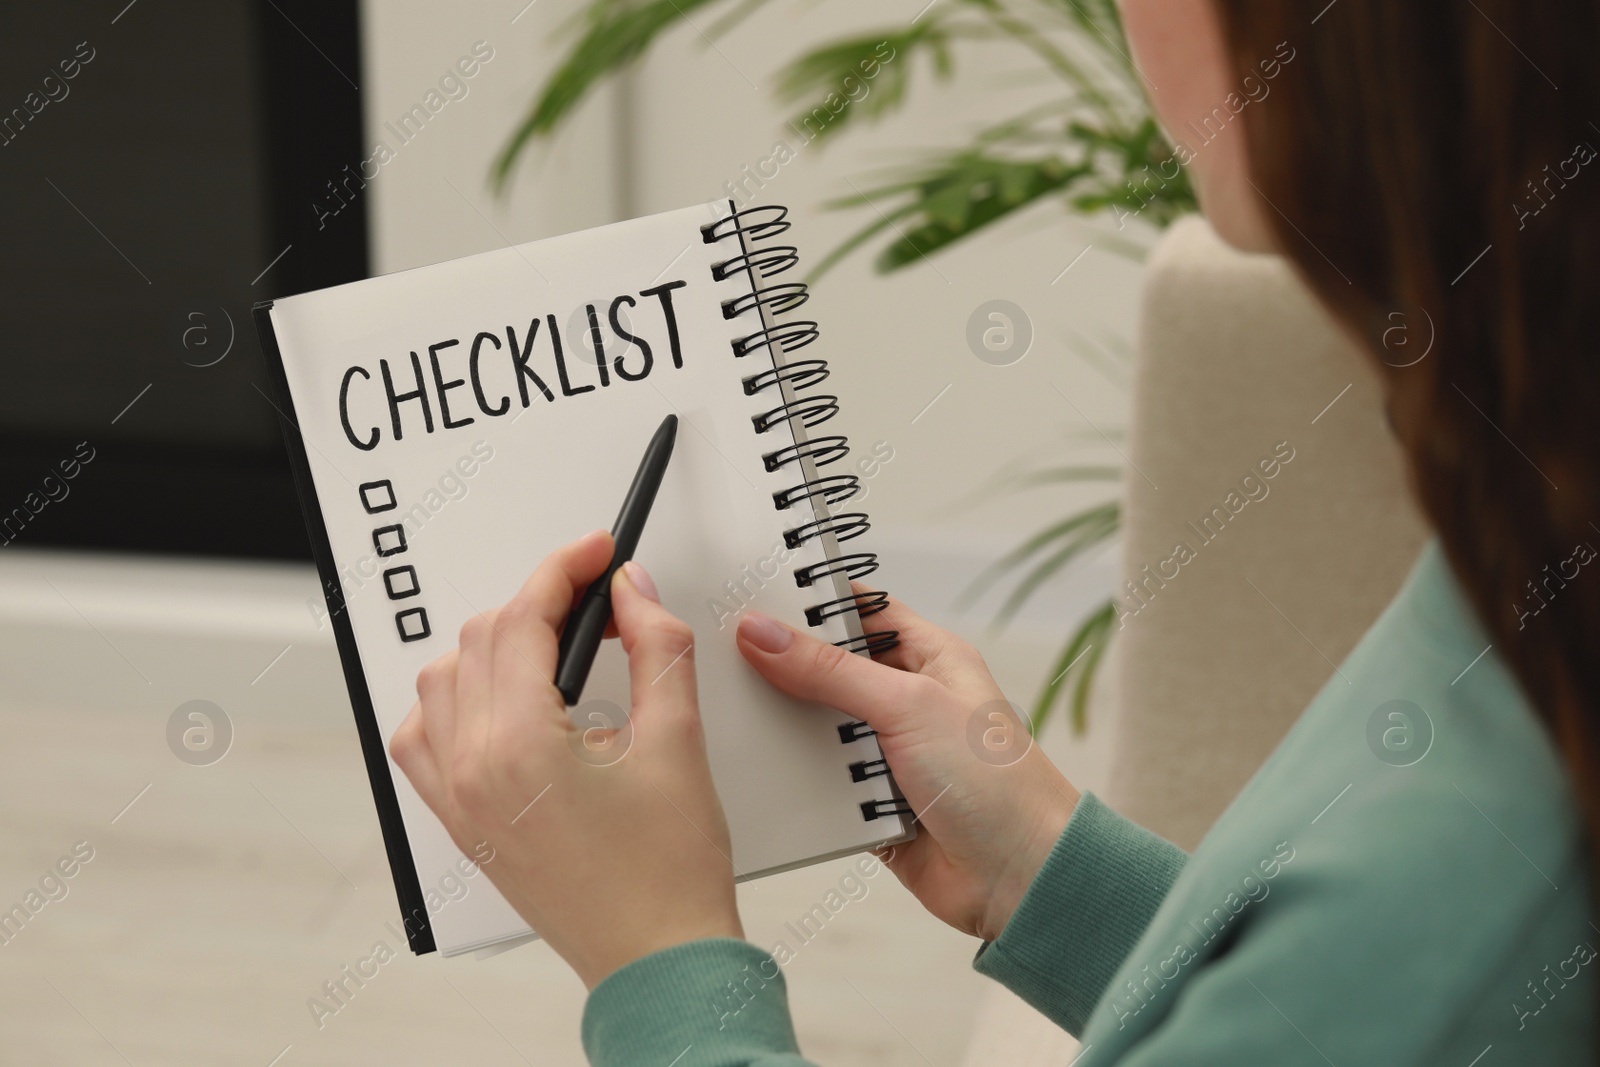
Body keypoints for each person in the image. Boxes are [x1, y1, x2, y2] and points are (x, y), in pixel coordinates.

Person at [388, 0, 1600, 1061]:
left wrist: (657, 959)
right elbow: (1323, 1010)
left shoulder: (1476, 896)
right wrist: (1042, 865)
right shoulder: (1535, 534)